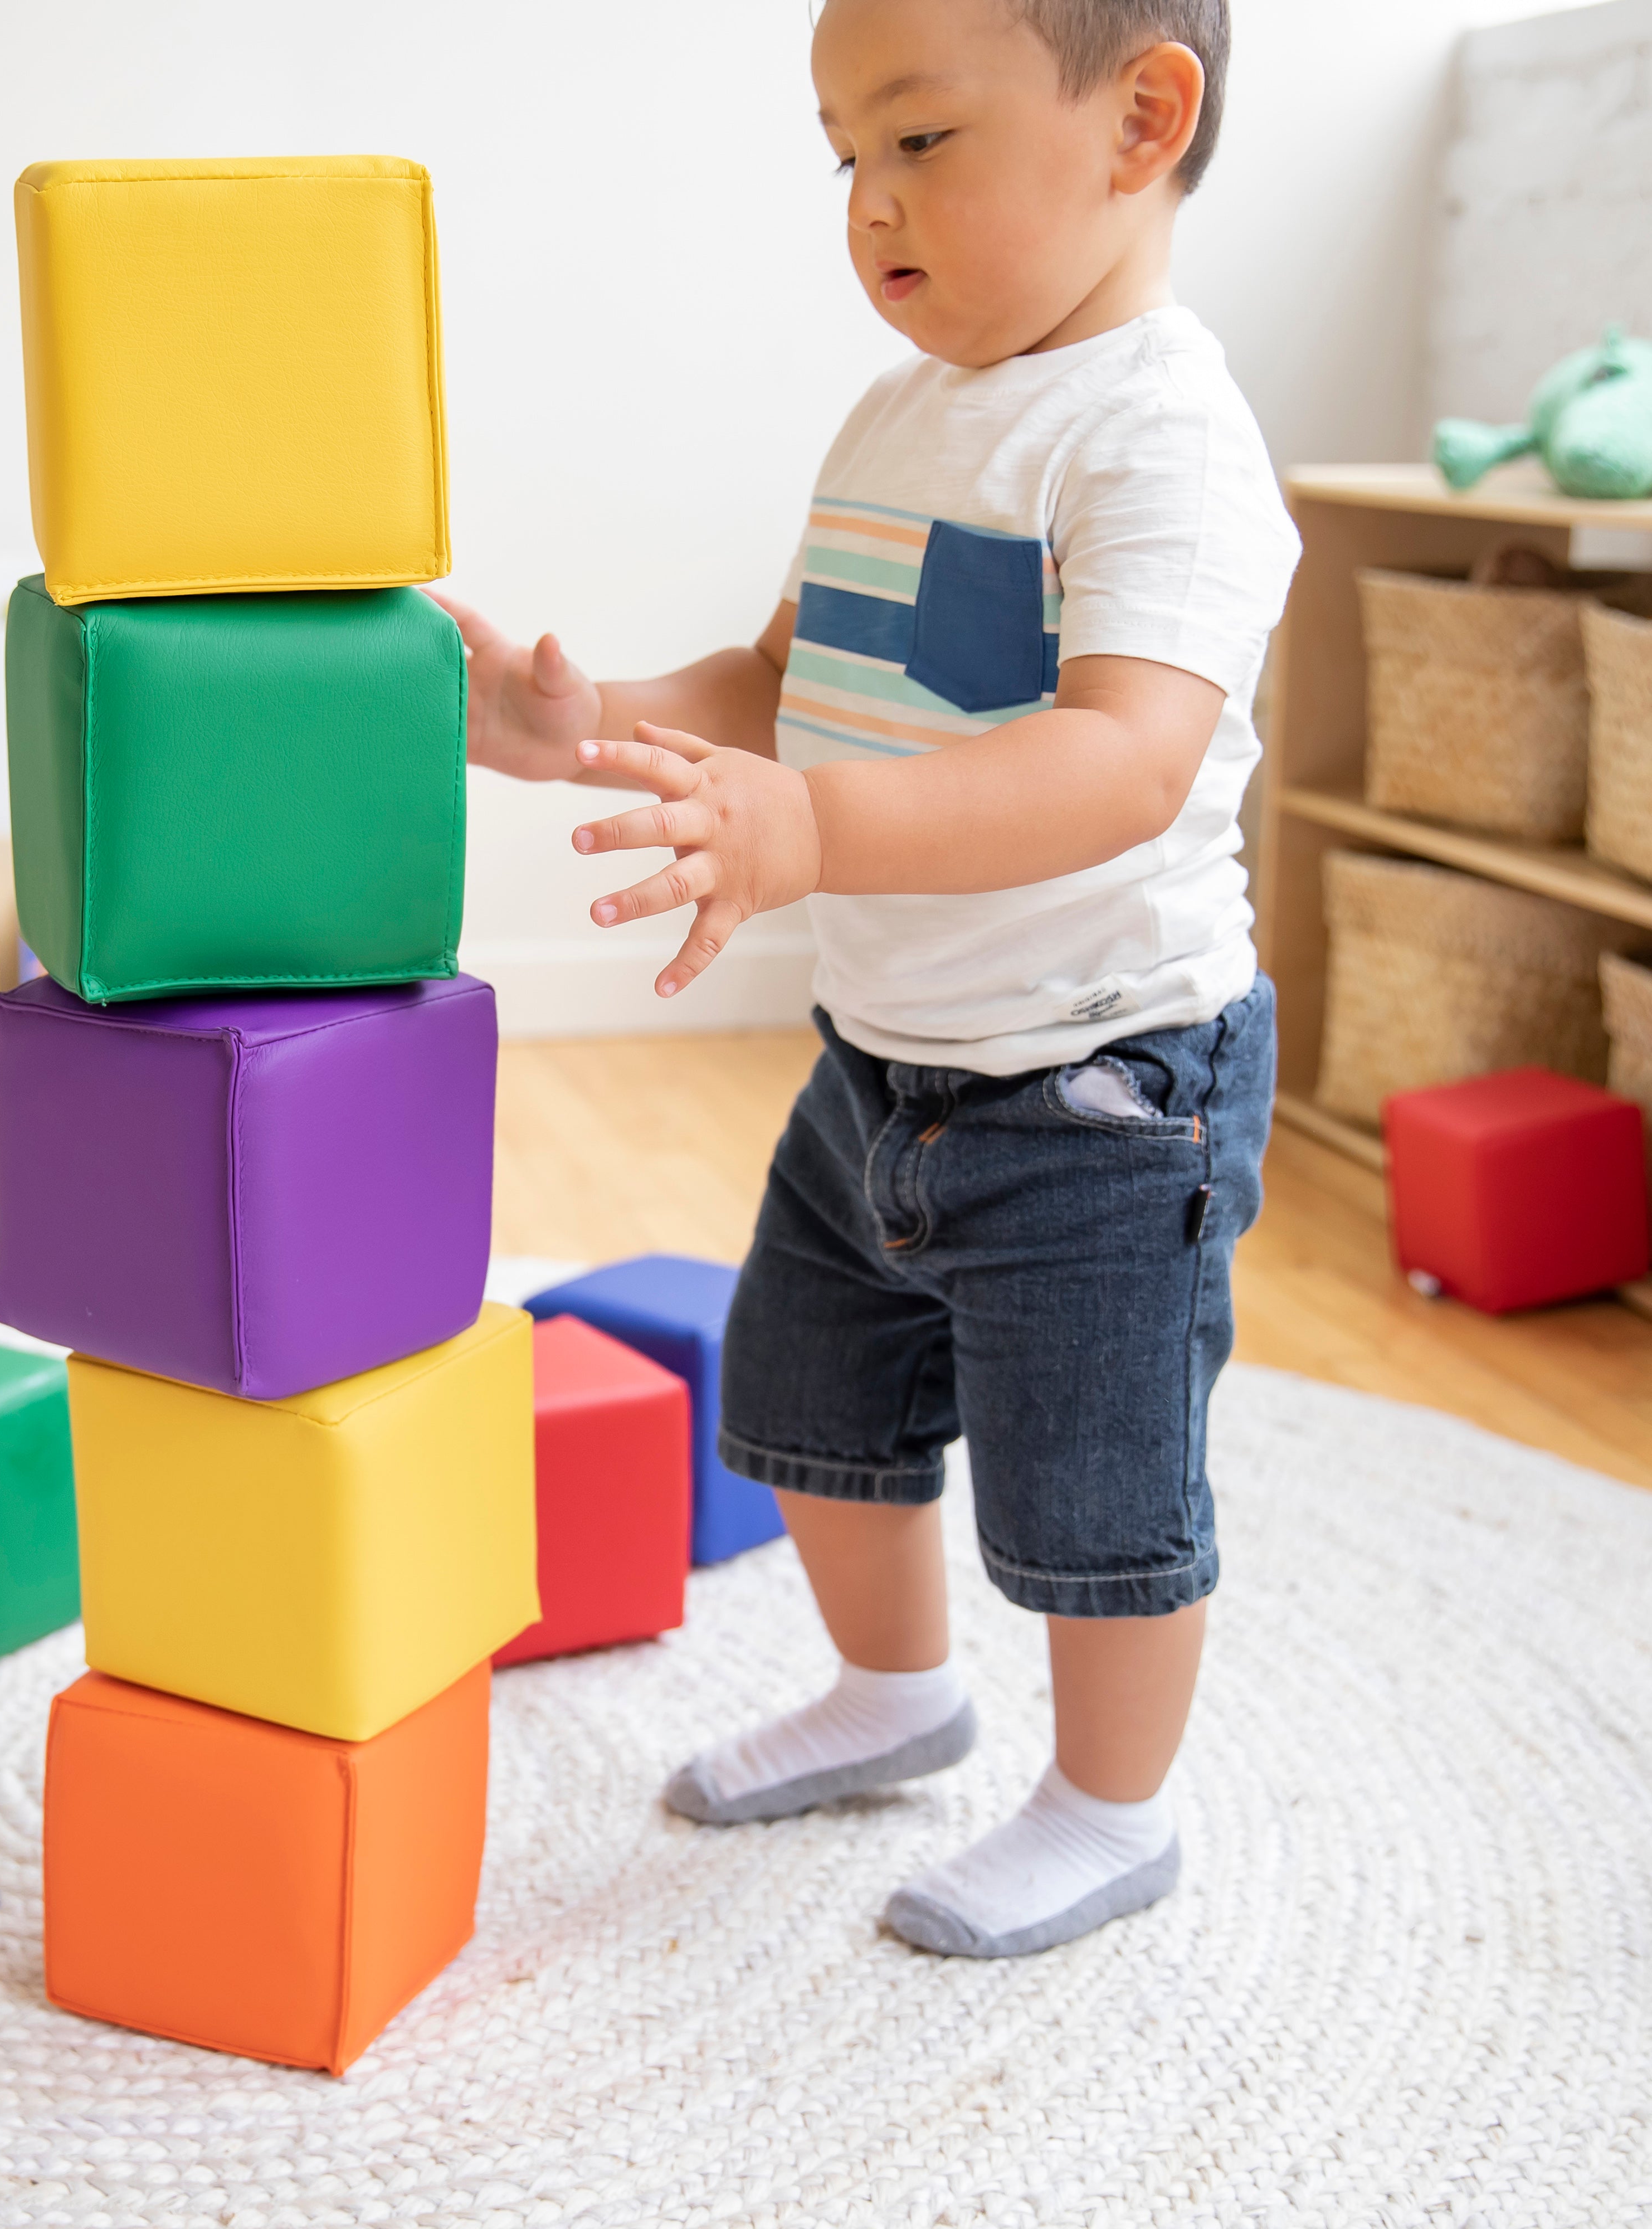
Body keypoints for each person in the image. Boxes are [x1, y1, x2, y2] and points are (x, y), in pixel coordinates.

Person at [438, 0, 1299, 1957]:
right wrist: (583, 733)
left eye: (919, 141)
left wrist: (809, 834)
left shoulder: (1159, 435)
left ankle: (1109, 1806)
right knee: (817, 1409)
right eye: (844, 155)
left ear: (1141, 119)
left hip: (1103, 1086)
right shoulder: (905, 415)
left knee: (1098, 1487)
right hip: (888, 1060)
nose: (869, 206)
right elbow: (782, 686)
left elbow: (1123, 758)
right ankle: (897, 1693)